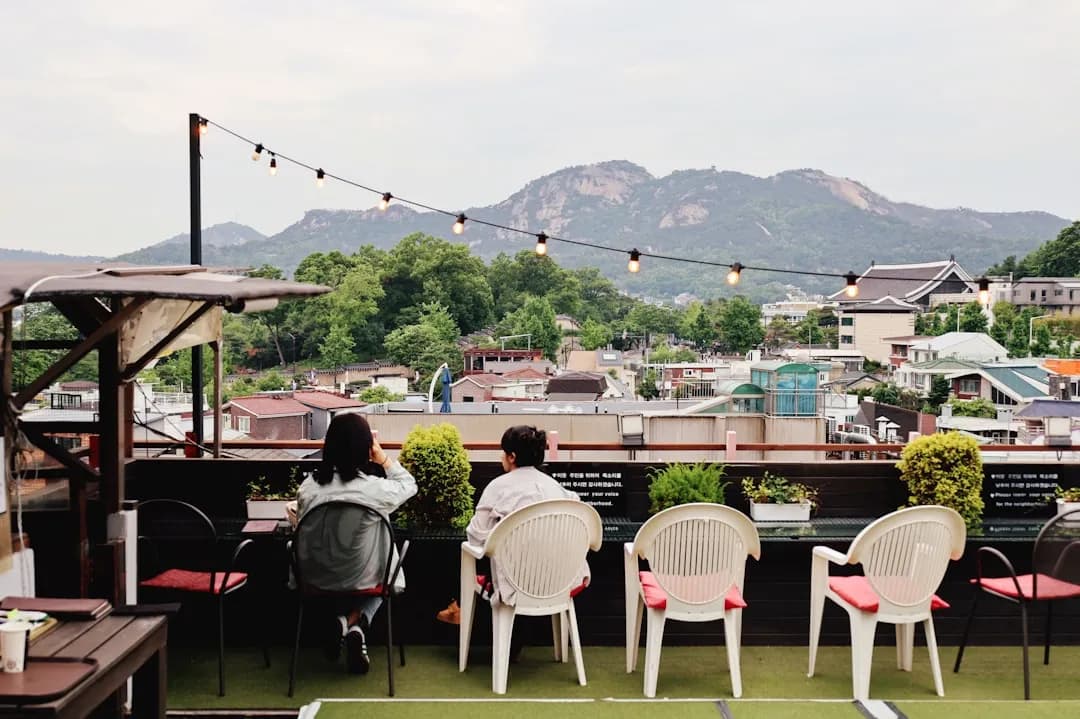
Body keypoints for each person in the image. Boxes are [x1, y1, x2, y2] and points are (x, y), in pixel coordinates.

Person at [295, 413, 416, 674]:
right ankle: (355, 624)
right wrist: (382, 458)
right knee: (387, 563)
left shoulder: (309, 487)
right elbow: (409, 485)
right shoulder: (374, 490)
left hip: (315, 577)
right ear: (366, 448)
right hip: (363, 577)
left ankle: (344, 623)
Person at [438, 425, 589, 624]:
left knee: (466, 552)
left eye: (504, 452)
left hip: (514, 586)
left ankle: (458, 608)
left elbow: (475, 538)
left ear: (512, 456)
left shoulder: (498, 487)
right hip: (561, 584)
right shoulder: (558, 490)